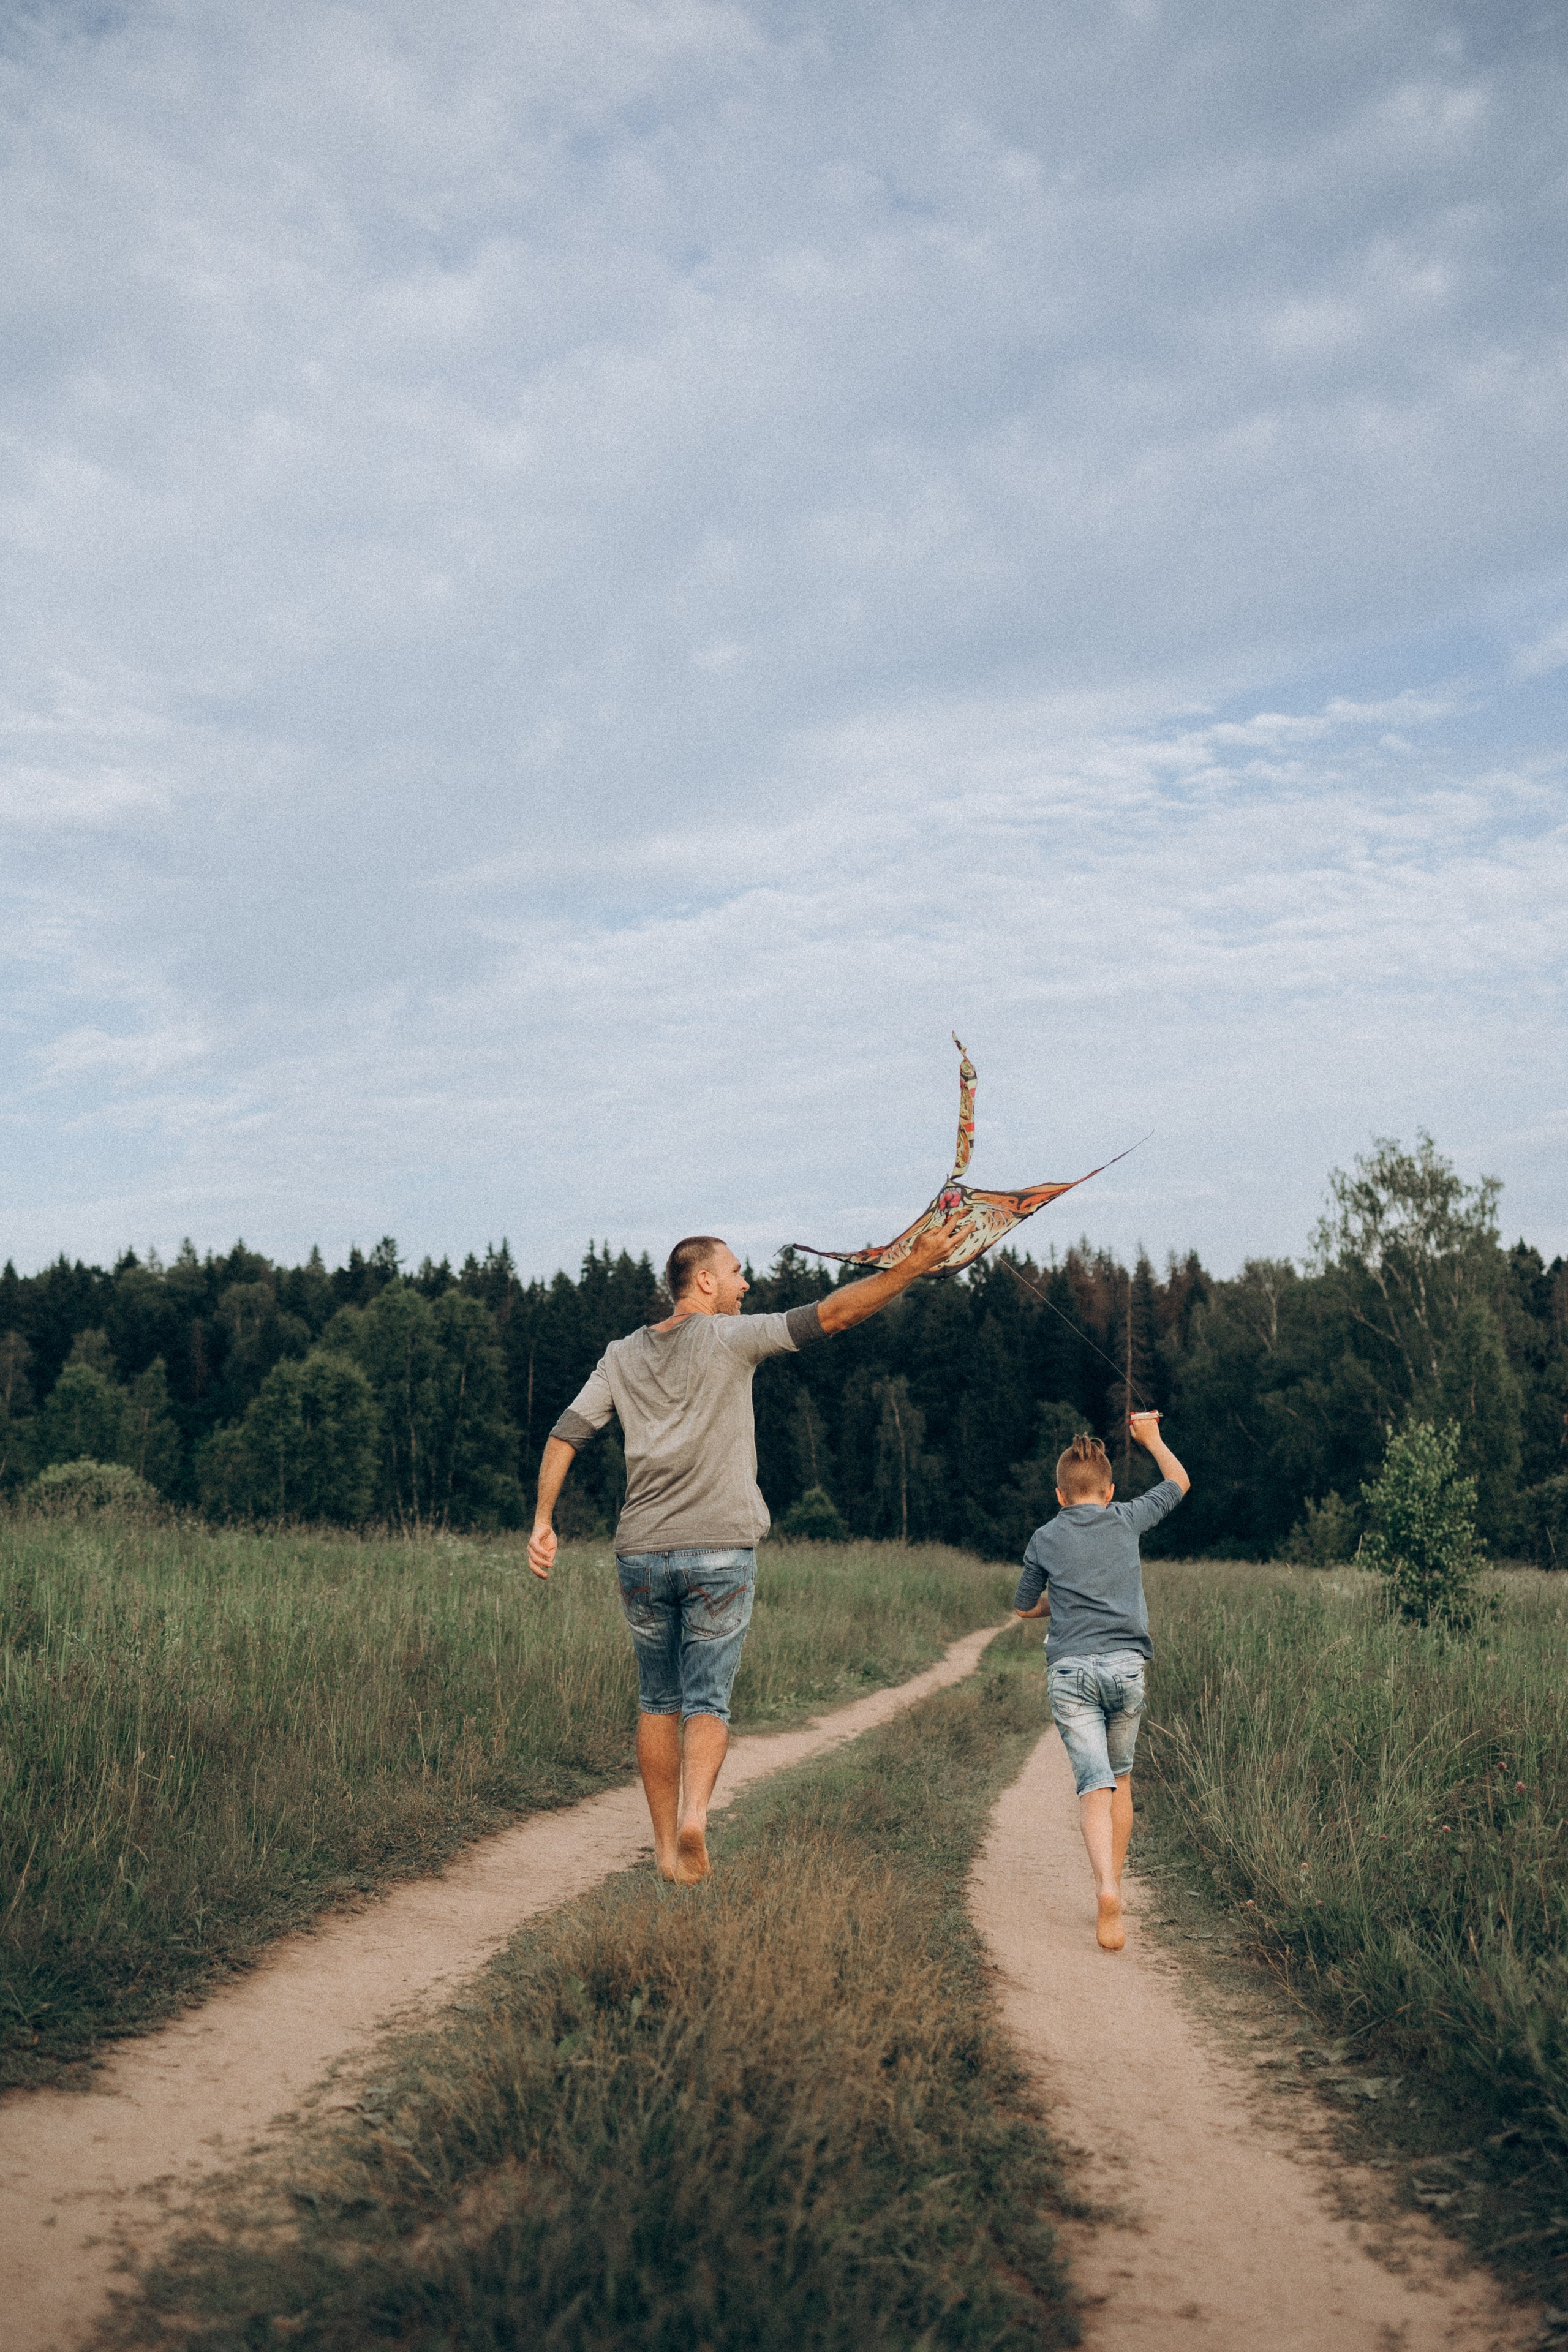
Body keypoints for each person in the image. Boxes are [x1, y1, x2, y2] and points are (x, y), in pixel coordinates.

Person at [527, 1226, 952, 1883]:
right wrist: (911, 1269)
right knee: (708, 1702)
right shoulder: (731, 1337)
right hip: (720, 1550)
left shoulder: (619, 1356)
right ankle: (696, 1813)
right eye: (736, 1272)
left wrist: (543, 1521)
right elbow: (835, 1315)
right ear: (703, 1282)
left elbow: (565, 1434)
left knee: (656, 1701)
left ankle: (666, 1850)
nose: (744, 1283)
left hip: (640, 1552)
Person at [1012, 1412, 1189, 1952]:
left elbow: (1023, 1609)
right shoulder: (1126, 1519)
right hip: (1126, 1668)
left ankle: (1106, 1890)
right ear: (1109, 1492)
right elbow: (1179, 1483)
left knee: (1094, 1785)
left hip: (1071, 1673)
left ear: (1060, 1495)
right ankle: (1117, 1885)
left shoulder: (1044, 1538)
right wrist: (1153, 1439)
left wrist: (1058, 1605)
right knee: (1122, 1780)